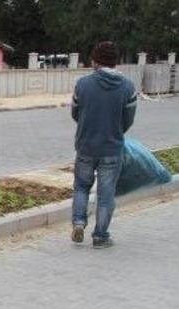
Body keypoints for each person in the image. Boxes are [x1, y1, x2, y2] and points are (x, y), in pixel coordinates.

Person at [71, 41, 137, 249]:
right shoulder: (128, 87)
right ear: (115, 61)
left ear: (95, 61)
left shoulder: (82, 84)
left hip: (85, 146)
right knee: (106, 195)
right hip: (111, 148)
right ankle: (100, 236)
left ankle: (78, 222)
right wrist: (114, 131)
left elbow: (75, 113)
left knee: (81, 187)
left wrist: (87, 126)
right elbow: (128, 120)